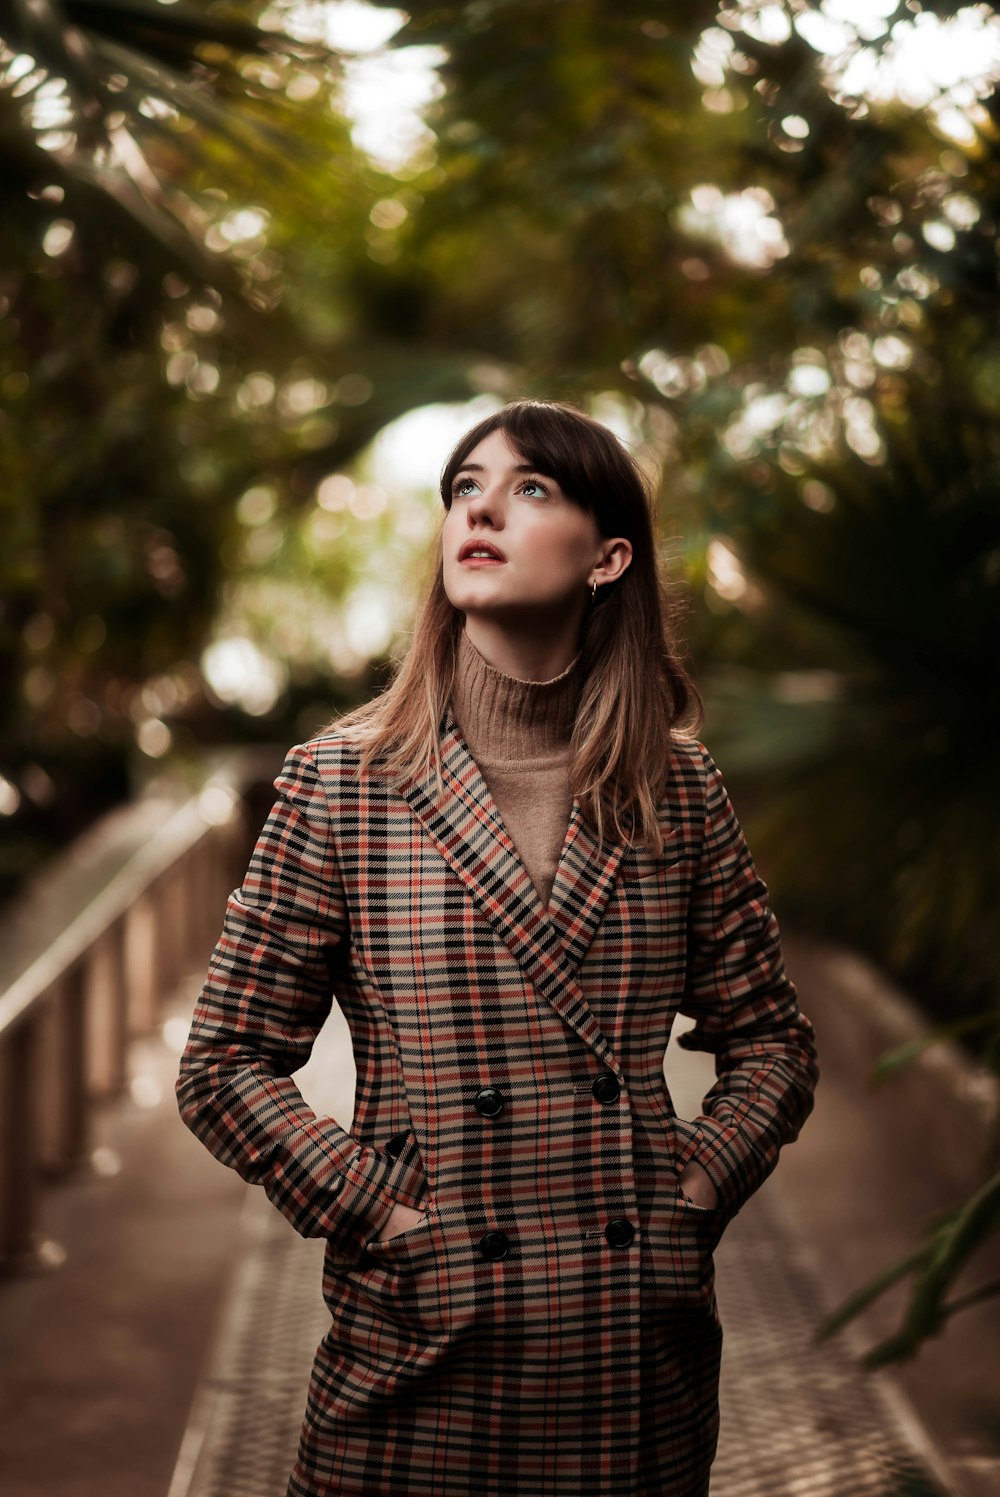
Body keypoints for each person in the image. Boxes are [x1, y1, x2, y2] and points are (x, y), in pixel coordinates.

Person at [175, 398, 818, 1497]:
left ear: (608, 556)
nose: (481, 508)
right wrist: (380, 1212)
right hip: (419, 1354)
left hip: (632, 1365)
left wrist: (694, 1193)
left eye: (531, 488)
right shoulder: (343, 786)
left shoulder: (677, 790)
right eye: (464, 487)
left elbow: (771, 1046)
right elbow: (223, 1065)